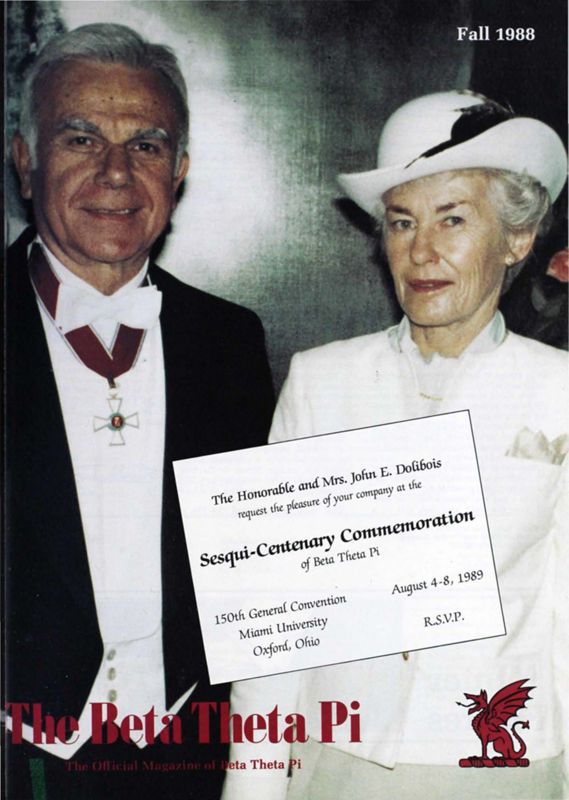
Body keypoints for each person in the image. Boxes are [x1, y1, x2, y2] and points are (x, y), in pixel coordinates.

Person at [222, 91, 568, 800]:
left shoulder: (557, 388)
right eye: (402, 222)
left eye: (453, 219)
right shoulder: (321, 381)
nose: (421, 251)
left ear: (517, 239)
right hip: (336, 757)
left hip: (499, 761)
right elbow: (274, 626)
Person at [3, 23, 274, 800]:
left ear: (178, 171)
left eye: (146, 145)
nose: (116, 172)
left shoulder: (229, 340)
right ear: (25, 161)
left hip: (191, 758)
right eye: (80, 139)